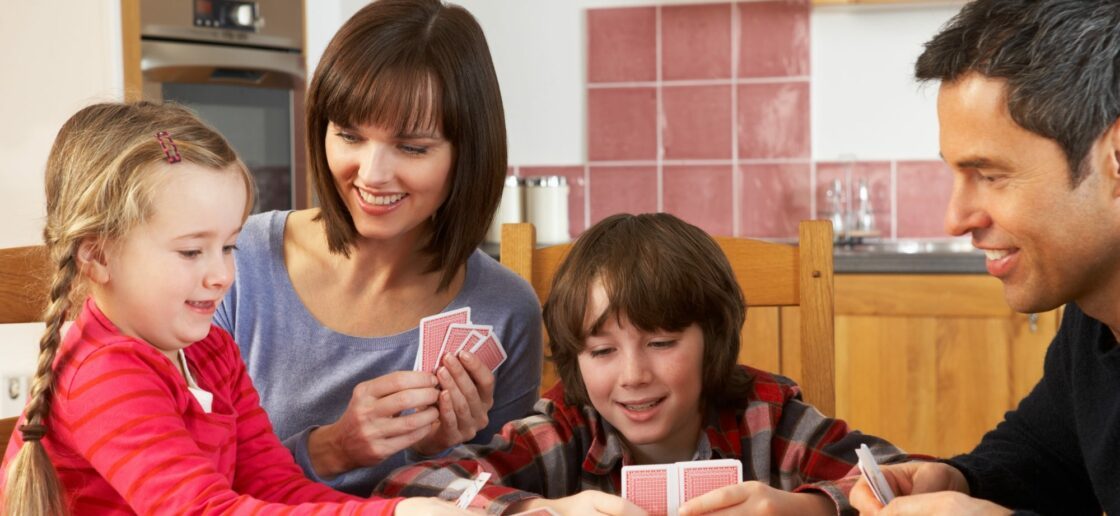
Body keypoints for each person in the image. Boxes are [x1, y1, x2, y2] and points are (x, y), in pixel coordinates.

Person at [0, 101, 467, 515]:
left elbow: (275, 486)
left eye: (229, 247)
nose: (220, 275)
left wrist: (398, 509)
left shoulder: (211, 351)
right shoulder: (103, 374)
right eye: (191, 252)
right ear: (96, 256)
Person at [212, 0, 543, 496]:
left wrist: (439, 455)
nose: (371, 174)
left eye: (412, 147)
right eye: (349, 135)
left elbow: (502, 495)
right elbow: (182, 479)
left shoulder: (506, 311)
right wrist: (332, 448)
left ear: (468, 153)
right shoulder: (237, 261)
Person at [375, 213, 909, 515]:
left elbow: (900, 481)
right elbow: (407, 486)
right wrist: (539, 512)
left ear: (713, 339)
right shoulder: (568, 425)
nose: (632, 376)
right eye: (602, 351)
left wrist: (806, 511)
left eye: (661, 342)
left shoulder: (766, 417)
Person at [848, 1, 1120, 515]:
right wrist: (959, 481)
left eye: (992, 175)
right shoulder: (1094, 320)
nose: (956, 218)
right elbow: (1046, 457)